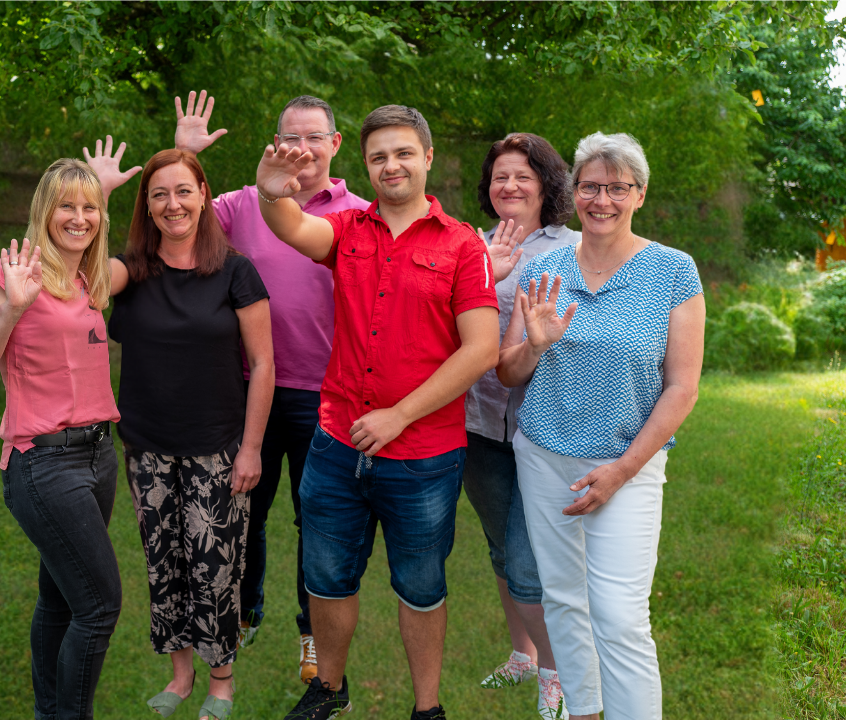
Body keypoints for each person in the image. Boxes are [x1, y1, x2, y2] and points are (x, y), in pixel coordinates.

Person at [256, 104, 511, 720]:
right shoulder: (347, 230)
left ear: (426, 158)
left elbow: (481, 348)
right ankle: (328, 689)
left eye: (402, 153)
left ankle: (427, 708)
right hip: (337, 445)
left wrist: (400, 414)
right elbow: (292, 227)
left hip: (423, 456)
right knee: (325, 577)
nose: (390, 165)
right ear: (365, 166)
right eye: (377, 157)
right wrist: (269, 194)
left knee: (421, 587)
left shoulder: (461, 247)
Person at [496, 132, 705, 720]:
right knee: (563, 599)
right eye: (591, 186)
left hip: (627, 464)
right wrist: (535, 346)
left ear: (639, 194)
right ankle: (583, 711)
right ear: (575, 193)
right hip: (544, 456)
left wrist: (620, 472)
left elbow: (682, 387)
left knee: (619, 614)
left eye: (618, 187)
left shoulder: (672, 271)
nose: (603, 199)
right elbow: (508, 373)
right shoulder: (546, 269)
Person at [170, 91, 369, 683]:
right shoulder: (238, 205)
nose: (302, 148)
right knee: (242, 509)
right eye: (291, 136)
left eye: (315, 137)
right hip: (246, 390)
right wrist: (185, 157)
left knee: (319, 522)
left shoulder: (359, 213)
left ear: (334, 145)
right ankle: (245, 607)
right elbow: (176, 220)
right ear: (274, 142)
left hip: (326, 395)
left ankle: (310, 634)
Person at [107, 149, 275, 720]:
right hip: (148, 447)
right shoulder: (132, 271)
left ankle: (221, 681)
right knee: (164, 561)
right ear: (146, 206)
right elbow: (80, 275)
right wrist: (100, 194)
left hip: (218, 446)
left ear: (204, 194)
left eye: (183, 190)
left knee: (217, 568)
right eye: (159, 194)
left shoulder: (235, 271)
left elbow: (263, 363)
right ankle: (179, 676)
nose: (172, 204)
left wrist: (251, 447)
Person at [0, 158, 121, 720]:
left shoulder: (88, 280)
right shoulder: (13, 275)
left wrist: (109, 188)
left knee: (60, 600)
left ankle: (48, 711)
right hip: (44, 465)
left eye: (88, 207)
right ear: (41, 212)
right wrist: (13, 310)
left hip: (100, 458)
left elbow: (158, 244)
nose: (78, 218)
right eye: (65, 206)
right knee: (99, 607)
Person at [463, 133, 579, 719]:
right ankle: (522, 653)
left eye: (523, 177)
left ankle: (560, 673)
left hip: (549, 430)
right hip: (479, 426)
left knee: (530, 562)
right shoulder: (469, 245)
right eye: (500, 177)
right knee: (499, 551)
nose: (509, 186)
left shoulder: (578, 247)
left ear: (546, 186)